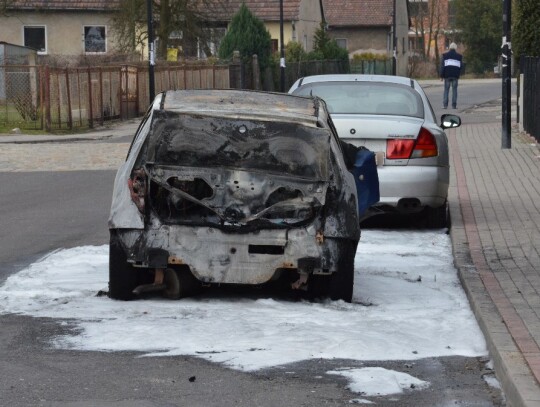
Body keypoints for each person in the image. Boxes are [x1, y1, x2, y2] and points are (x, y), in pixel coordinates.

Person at [440, 42, 463, 109]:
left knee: (446, 90)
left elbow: (442, 67)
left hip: (447, 76)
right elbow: (461, 66)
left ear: (449, 48)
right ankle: (454, 105)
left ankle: (445, 105)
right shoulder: (459, 56)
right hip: (455, 76)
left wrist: (441, 76)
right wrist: (459, 74)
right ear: (455, 48)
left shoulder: (444, 56)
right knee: (454, 90)